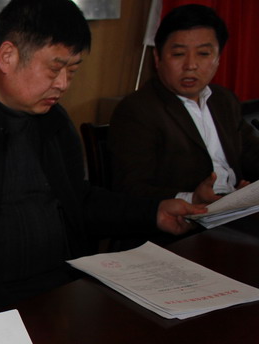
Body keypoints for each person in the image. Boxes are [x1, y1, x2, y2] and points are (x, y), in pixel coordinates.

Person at [0, 0, 204, 321]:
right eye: (55, 69)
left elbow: (78, 202)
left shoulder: (54, 121)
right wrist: (10, 317)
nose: (63, 84)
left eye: (73, 70)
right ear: (8, 56)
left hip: (65, 287)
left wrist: (153, 212)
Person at [110, 4, 259, 203]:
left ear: (218, 58)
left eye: (203, 54)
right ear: (157, 58)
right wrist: (192, 199)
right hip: (185, 217)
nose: (191, 65)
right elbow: (130, 188)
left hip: (235, 209)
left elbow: (252, 155)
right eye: (179, 54)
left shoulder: (223, 100)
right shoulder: (137, 110)